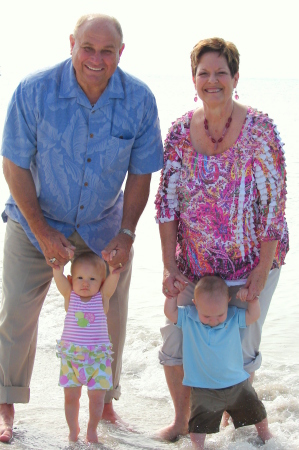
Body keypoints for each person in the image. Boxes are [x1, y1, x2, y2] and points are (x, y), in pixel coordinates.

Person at [0, 13, 163, 442]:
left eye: (107, 50)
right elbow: (13, 163)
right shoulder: (34, 91)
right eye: (88, 47)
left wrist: (127, 233)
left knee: (109, 316)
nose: (96, 58)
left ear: (120, 53)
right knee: (16, 311)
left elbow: (142, 174)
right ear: (71, 43)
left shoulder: (140, 100)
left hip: (102, 227)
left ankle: (106, 402)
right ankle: (6, 407)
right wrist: (41, 230)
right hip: (33, 220)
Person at [154, 37, 288, 441]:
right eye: (203, 73)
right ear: (193, 79)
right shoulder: (179, 132)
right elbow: (166, 205)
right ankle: (183, 421)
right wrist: (169, 265)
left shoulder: (261, 131)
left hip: (252, 265)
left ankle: (235, 419)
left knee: (241, 349)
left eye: (221, 73)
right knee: (175, 342)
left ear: (236, 77)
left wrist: (261, 274)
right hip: (193, 267)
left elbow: (274, 212)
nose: (212, 81)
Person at [165, 276, 272, 449]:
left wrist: (253, 300)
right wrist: (171, 296)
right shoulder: (189, 317)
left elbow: (253, 316)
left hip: (237, 383)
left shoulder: (232, 316)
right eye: (206, 316)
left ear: (228, 302)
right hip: (203, 387)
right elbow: (171, 313)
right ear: (195, 304)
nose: (213, 321)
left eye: (219, 315)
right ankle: (198, 447)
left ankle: (265, 435)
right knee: (198, 423)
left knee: (256, 411)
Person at [53, 252, 119, 443]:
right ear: (71, 279)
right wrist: (57, 269)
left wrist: (114, 270)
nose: (85, 283)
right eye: (80, 278)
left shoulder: (102, 298)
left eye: (92, 279)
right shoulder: (70, 296)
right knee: (70, 398)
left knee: (97, 399)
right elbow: (59, 278)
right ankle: (73, 430)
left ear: (101, 282)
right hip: (71, 360)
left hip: (97, 361)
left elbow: (112, 283)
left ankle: (92, 430)